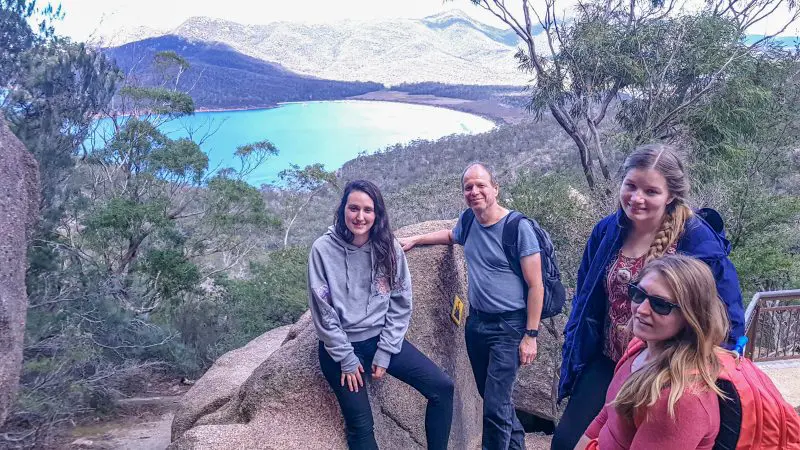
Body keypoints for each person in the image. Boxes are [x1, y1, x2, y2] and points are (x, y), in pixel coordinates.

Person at [552, 144, 745, 450]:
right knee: (566, 440)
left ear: (670, 195)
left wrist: (707, 374)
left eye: (651, 191)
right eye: (630, 186)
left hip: (669, 365)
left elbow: (724, 315)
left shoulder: (697, 241)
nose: (637, 198)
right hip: (611, 358)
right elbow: (586, 297)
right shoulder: (607, 230)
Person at [400, 163, 544, 450]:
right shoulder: (469, 221)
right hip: (477, 324)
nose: (474, 191)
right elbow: (451, 236)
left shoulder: (518, 228)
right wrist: (416, 239)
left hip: (510, 326)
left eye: (480, 185)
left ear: (495, 188)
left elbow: (536, 285)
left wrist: (531, 335)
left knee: (494, 406)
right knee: (492, 398)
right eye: (468, 187)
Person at [308, 180, 454, 450]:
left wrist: (386, 350)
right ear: (342, 210)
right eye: (353, 208)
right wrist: (347, 359)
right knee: (361, 426)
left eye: (367, 210)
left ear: (377, 214)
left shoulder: (388, 247)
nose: (360, 217)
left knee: (442, 388)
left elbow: (401, 301)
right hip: (340, 348)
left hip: (379, 339)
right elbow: (323, 311)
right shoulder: (322, 250)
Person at [575, 254, 729, 449]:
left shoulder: (679, 400)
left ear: (691, 316)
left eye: (661, 305)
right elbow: (607, 415)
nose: (641, 309)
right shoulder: (639, 348)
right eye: (639, 294)